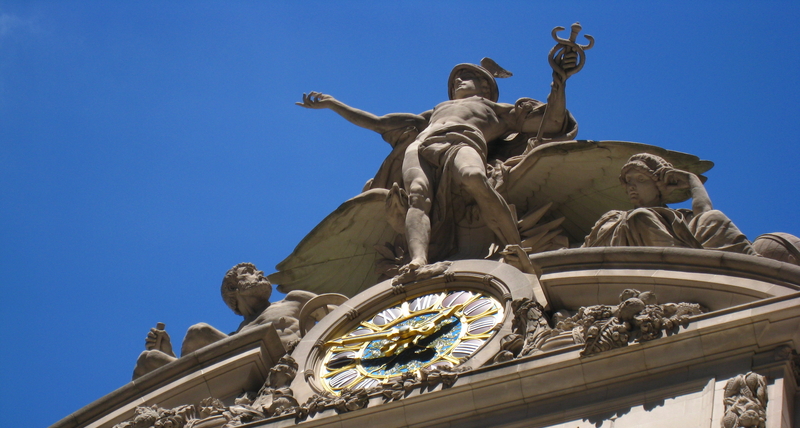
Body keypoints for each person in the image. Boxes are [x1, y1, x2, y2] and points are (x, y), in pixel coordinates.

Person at [298, 58, 578, 281]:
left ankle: (513, 246)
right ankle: (418, 260)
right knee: (417, 198)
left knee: (475, 178)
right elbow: (379, 123)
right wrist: (333, 104)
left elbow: (551, 123)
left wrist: (560, 81)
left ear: (484, 85)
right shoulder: (434, 111)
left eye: (464, 76)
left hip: (463, 141)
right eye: (455, 78)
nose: (456, 80)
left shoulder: (498, 109)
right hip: (419, 148)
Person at [132, 263, 316, 379]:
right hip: (246, 374)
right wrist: (167, 352)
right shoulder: (235, 336)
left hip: (293, 366)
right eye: (249, 272)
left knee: (199, 331)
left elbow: (341, 312)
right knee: (148, 358)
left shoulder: (293, 300)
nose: (260, 272)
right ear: (232, 287)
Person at [583, 153, 757, 255]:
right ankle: (683, 261)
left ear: (659, 186)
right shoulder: (616, 218)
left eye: (641, 179)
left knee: (714, 216)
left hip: (691, 261)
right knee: (640, 216)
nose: (632, 186)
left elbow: (705, 213)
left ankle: (689, 262)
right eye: (628, 181)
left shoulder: (679, 219)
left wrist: (692, 180)